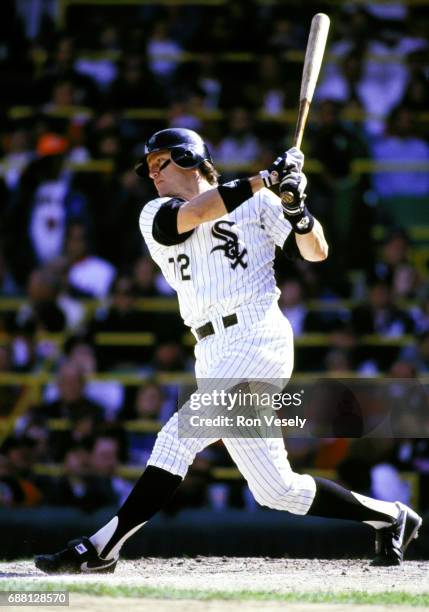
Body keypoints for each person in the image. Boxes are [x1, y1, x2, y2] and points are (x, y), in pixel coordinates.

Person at [34, 128, 422, 574]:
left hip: (258, 336)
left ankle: (104, 547)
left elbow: (316, 253)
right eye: (150, 167)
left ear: (190, 158)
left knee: (178, 437)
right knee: (276, 490)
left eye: (161, 162)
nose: (153, 174)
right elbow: (197, 212)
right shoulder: (155, 212)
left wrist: (296, 208)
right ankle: (392, 516)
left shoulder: (260, 201)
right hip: (212, 349)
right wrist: (266, 178)